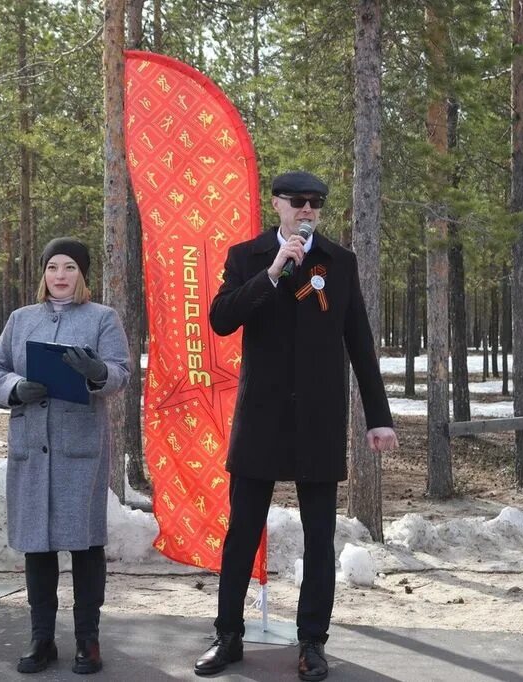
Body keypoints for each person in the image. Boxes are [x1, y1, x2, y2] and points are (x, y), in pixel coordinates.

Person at [194, 171, 399, 681]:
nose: (308, 210)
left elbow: (361, 343)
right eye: (299, 202)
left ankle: (311, 643)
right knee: (242, 532)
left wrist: (379, 418)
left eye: (317, 204)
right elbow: (220, 319)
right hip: (261, 417)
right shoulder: (247, 256)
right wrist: (271, 272)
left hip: (317, 419)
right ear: (278, 204)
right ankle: (228, 636)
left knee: (318, 536)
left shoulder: (339, 262)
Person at [0, 237, 130, 675]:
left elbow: (120, 373)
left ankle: (88, 640)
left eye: (69, 268)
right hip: (32, 444)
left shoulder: (102, 318)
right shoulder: (20, 318)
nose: (60, 276)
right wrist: (14, 389)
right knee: (37, 547)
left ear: (82, 275)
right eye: (52, 268)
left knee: (86, 546)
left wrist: (97, 372)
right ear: (43, 274)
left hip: (77, 449)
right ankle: (40, 638)